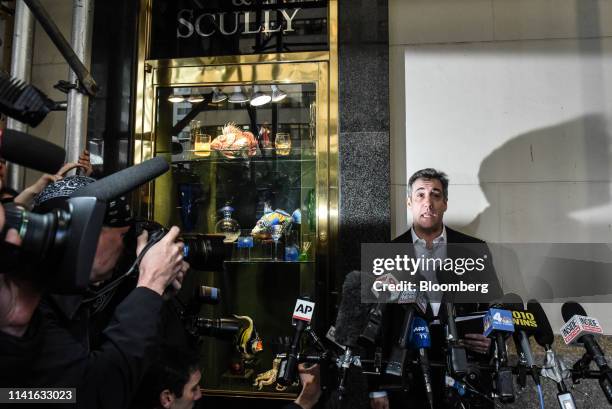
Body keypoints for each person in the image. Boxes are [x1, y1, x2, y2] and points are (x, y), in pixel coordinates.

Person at [0, 175, 188, 409]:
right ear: (86, 234)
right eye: (122, 236)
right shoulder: (36, 306)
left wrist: (150, 299)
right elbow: (91, 393)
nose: (125, 247)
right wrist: (151, 283)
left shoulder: (35, 300)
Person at [369, 168, 501, 409]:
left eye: (435, 195)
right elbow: (377, 326)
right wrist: (376, 389)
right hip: (407, 379)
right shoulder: (385, 253)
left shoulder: (474, 249)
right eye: (420, 195)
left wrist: (491, 338)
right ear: (409, 201)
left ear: (445, 203)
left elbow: (496, 305)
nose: (427, 203)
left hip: (464, 376)